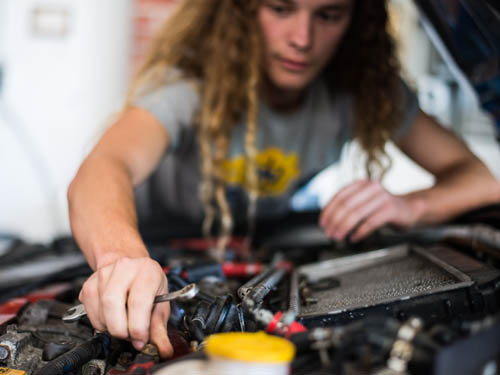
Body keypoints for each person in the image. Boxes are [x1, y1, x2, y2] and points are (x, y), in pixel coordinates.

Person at [67, 0, 500, 358]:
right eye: (280, 8)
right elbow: (104, 167)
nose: (302, 39)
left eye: (328, 15)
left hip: (257, 245)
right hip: (154, 249)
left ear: (355, 23)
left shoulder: (362, 91)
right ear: (240, 12)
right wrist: (121, 260)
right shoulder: (190, 86)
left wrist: (412, 205)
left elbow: (481, 179)